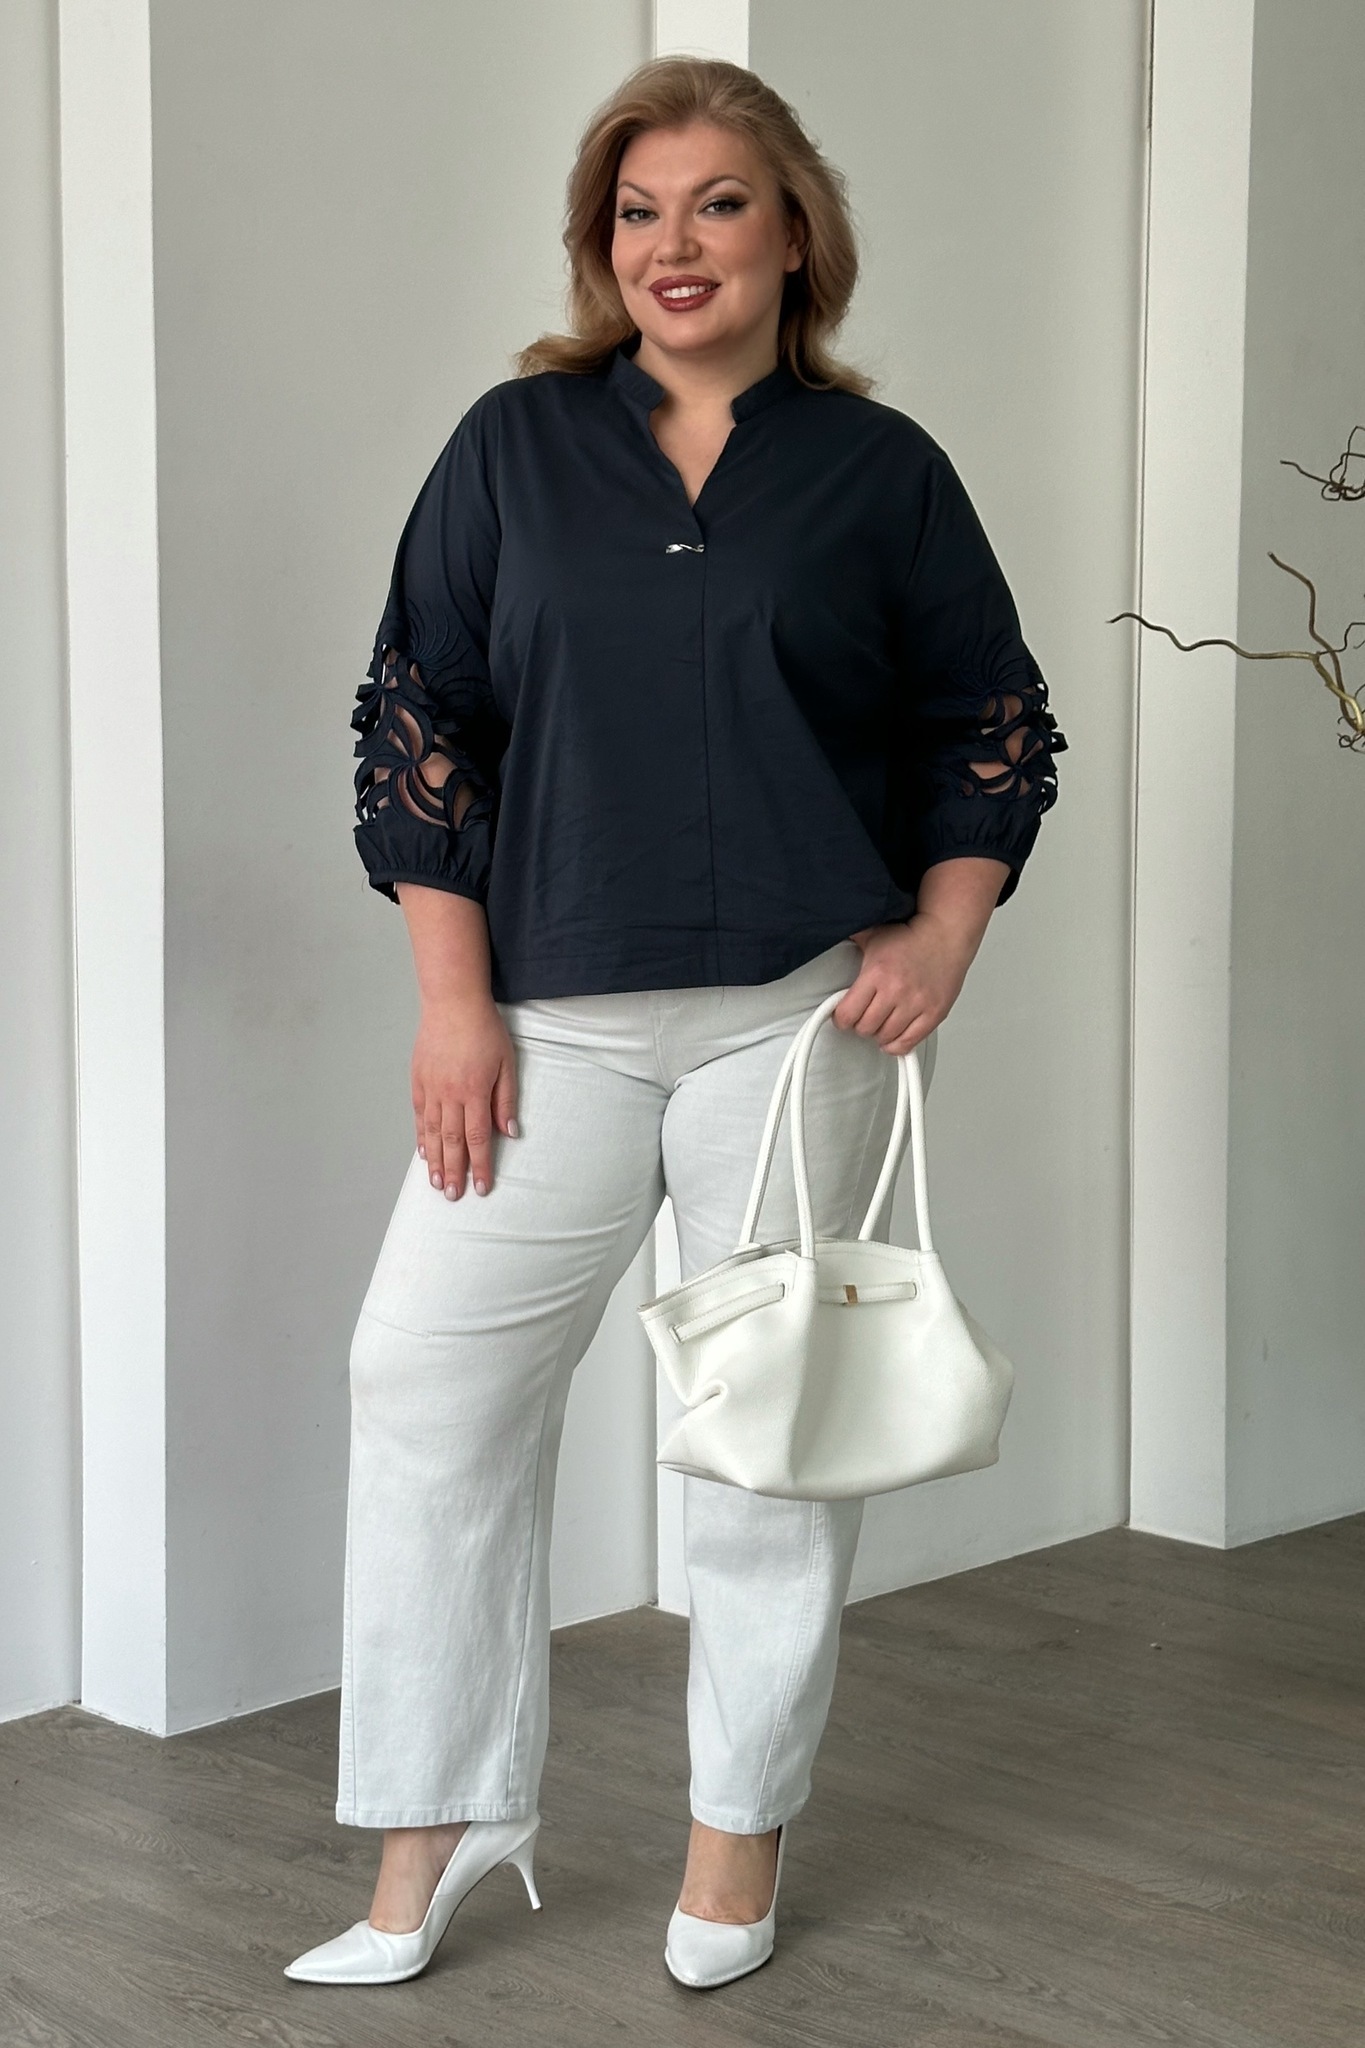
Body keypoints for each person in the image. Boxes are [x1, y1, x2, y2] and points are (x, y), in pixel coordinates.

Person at [284, 53, 1062, 1994]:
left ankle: (735, 1836)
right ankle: (440, 1818)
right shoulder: (512, 445)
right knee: (425, 1381)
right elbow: (422, 722)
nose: (672, 243)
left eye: (717, 202)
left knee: (767, 1440)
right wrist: (450, 1007)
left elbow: (985, 716)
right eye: (636, 211)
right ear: (599, 244)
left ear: (794, 232)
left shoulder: (879, 473)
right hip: (544, 1020)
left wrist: (944, 935)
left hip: (800, 1025)